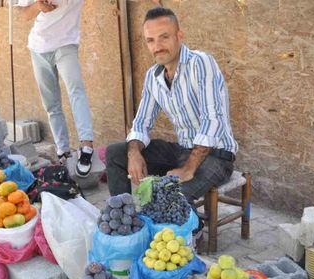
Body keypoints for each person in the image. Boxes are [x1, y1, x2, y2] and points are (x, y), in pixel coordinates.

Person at [106, 7, 238, 203]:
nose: (157, 46)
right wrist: (133, 152)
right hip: (181, 150)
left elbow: (213, 121)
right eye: (150, 40)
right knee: (116, 153)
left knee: (169, 199)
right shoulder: (153, 76)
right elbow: (141, 122)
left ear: (179, 36)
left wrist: (189, 168)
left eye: (164, 37)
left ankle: (191, 231)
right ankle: (121, 215)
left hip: (216, 156)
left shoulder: (201, 63)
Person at [17, 0, 95, 177]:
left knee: (76, 91)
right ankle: (63, 150)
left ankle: (87, 147)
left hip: (66, 43)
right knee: (51, 104)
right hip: (38, 48)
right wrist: (38, 6)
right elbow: (23, 14)